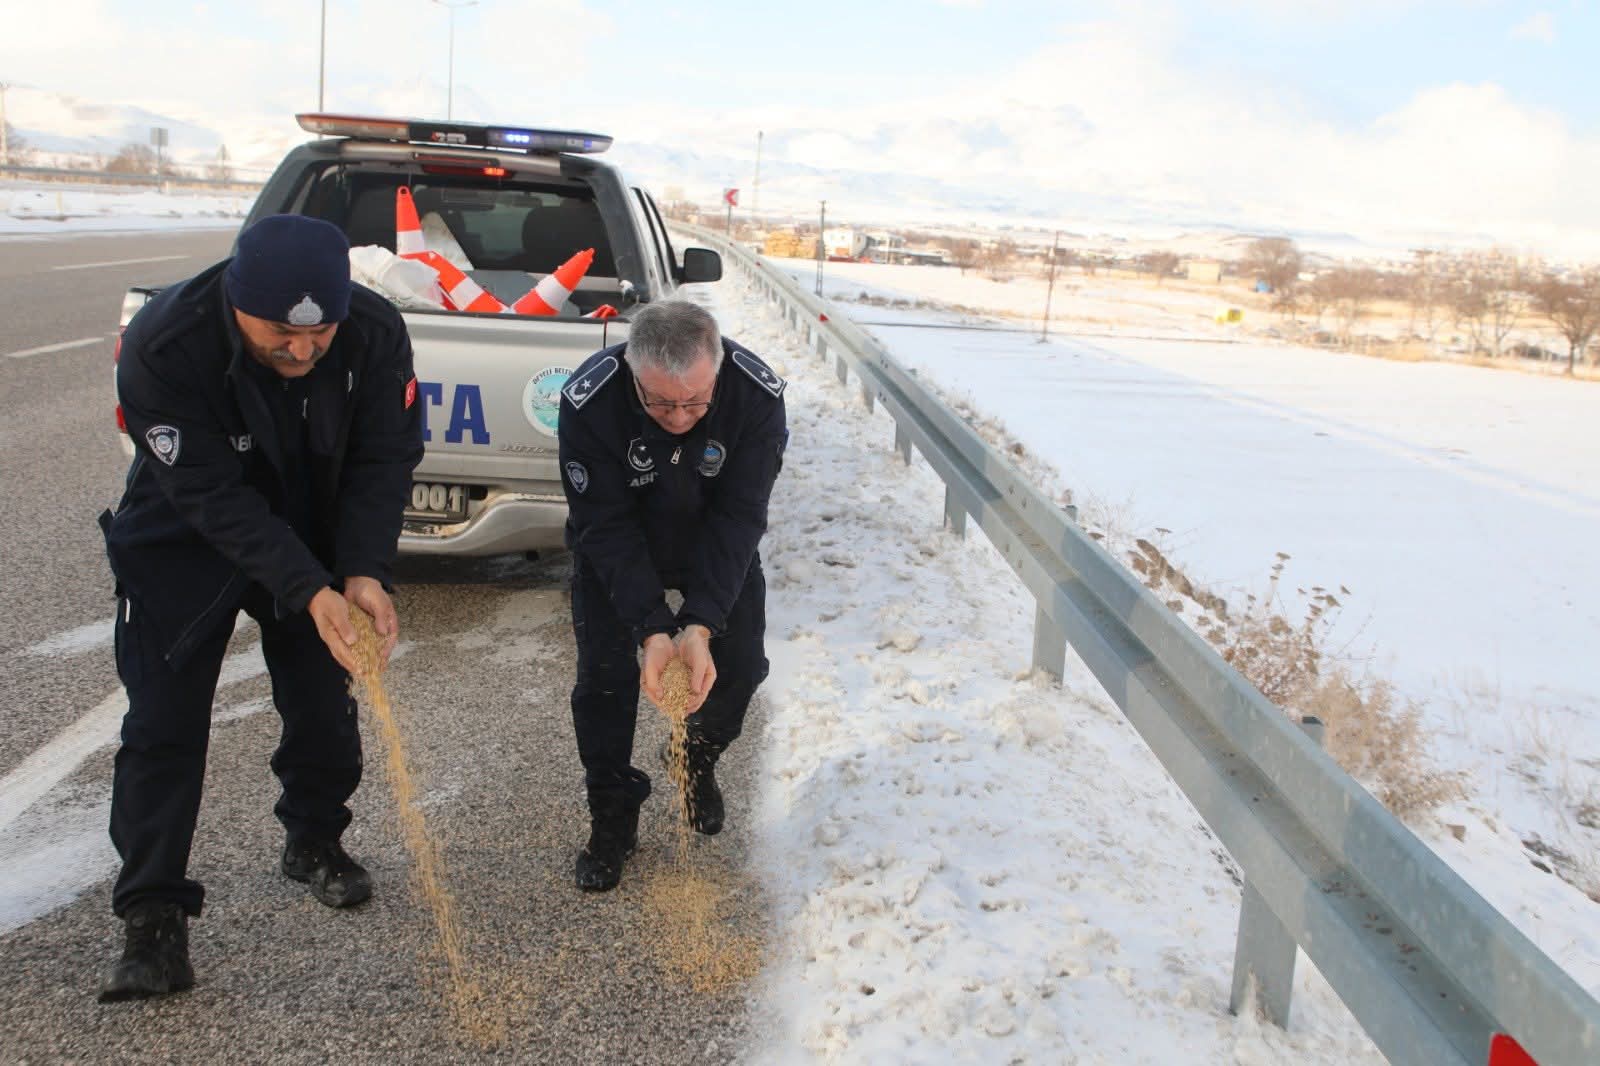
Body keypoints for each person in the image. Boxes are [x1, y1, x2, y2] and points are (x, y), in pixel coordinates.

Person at [96, 214, 424, 1001]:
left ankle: (315, 840)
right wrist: (308, 588)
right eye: (281, 332)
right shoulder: (164, 342)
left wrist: (361, 571)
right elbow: (211, 496)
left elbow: (386, 456)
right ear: (237, 299)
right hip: (187, 535)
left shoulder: (375, 333)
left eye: (320, 333)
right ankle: (152, 916)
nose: (304, 350)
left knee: (321, 704)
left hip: (314, 531)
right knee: (163, 725)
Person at [557, 299, 787, 891]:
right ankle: (612, 814)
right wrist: (653, 628)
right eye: (660, 401)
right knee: (604, 683)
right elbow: (603, 525)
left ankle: (695, 759)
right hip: (620, 541)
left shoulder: (756, 397)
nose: (679, 417)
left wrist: (700, 624)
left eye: (695, 401)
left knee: (740, 667)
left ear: (717, 368)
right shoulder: (591, 399)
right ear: (634, 373)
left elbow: (740, 518)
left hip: (711, 538)